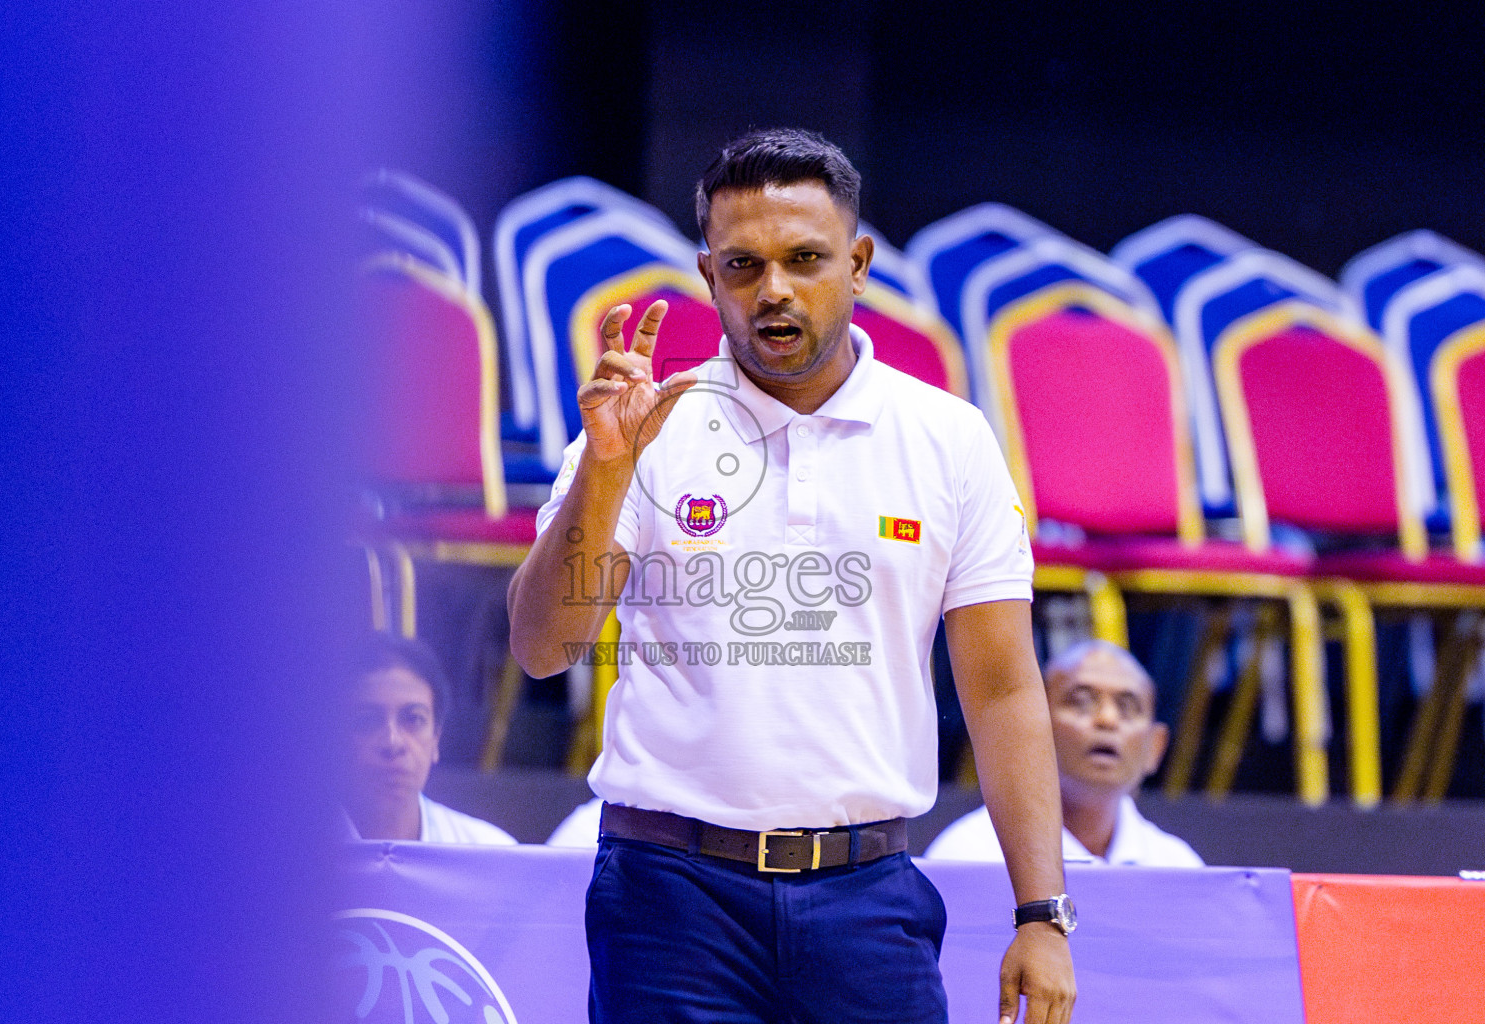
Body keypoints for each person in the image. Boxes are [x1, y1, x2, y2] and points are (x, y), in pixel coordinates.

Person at [508, 128, 1074, 1024]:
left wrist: (1041, 913)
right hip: (669, 899)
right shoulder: (645, 428)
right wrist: (607, 471)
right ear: (709, 276)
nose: (773, 289)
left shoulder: (949, 439)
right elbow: (544, 647)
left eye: (804, 259)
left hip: (868, 894)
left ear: (858, 264)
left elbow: (1002, 689)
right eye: (743, 265)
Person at [926, 640, 1203, 867]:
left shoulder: (1179, 867)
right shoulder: (968, 854)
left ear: (1155, 747)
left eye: (1127, 708)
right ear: (1032, 728)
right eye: (1082, 702)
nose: (1107, 720)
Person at [341, 632, 516, 845]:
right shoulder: (302, 852)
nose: (392, 743)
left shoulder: (489, 851)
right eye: (368, 720)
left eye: (414, 719)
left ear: (436, 738)